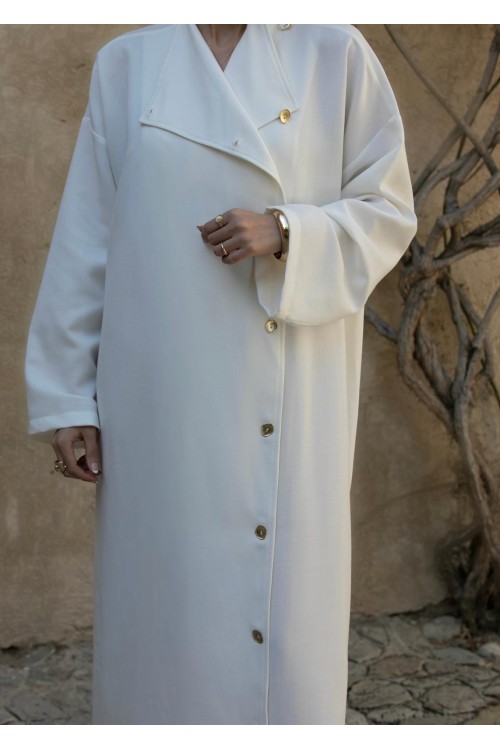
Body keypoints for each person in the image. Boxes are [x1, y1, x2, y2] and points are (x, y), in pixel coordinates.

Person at [24, 24, 418, 725]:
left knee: (286, 622)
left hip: (291, 389)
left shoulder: (333, 52)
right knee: (164, 610)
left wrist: (288, 229)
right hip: (159, 398)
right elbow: (87, 236)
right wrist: (67, 396)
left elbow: (388, 209)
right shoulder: (128, 63)